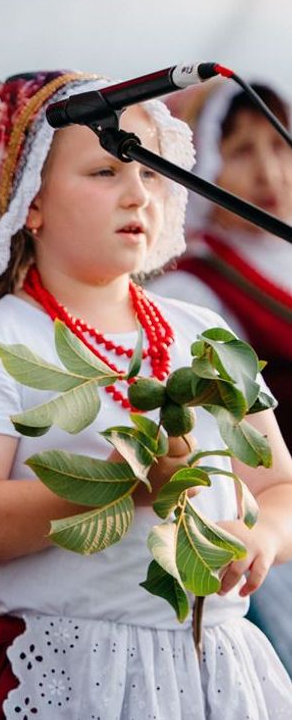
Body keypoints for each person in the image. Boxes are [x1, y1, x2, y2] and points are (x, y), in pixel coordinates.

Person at [0, 70, 292, 719]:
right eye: (105, 172)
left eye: (149, 171)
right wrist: (114, 486)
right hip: (73, 671)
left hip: (216, 672)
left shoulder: (201, 330)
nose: (137, 194)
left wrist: (263, 538)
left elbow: (278, 484)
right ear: (30, 203)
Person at [152, 78, 292, 666]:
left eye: (279, 145)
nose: (269, 171)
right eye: (241, 151)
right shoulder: (192, 293)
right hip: (269, 540)